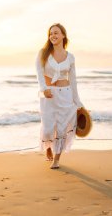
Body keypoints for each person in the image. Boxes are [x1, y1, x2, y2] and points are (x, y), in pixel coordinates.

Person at [35, 23, 84, 169]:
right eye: (50, 34)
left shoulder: (70, 57)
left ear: (63, 35)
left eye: (56, 33)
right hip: (48, 95)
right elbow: (39, 72)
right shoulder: (43, 53)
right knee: (48, 128)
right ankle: (48, 147)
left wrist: (77, 101)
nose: (53, 36)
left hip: (66, 95)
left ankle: (56, 159)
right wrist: (44, 89)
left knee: (62, 129)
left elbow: (73, 80)